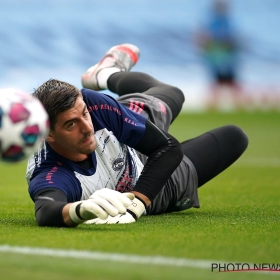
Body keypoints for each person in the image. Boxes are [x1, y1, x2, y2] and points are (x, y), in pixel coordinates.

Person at [26, 43, 248, 227]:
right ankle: (106, 73)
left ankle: (105, 74)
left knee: (173, 94)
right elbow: (46, 210)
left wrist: (138, 203)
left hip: (125, 141)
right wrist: (79, 209)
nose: (86, 128)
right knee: (234, 137)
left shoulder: (94, 106)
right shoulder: (50, 169)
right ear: (49, 134)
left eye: (84, 114)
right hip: (155, 185)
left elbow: (167, 146)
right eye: (70, 125)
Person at [196, 0, 242, 110]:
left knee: (230, 82)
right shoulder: (213, 22)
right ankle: (213, 108)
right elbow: (204, 41)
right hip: (216, 59)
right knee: (217, 84)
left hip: (227, 59)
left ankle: (238, 107)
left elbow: (233, 41)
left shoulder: (227, 22)